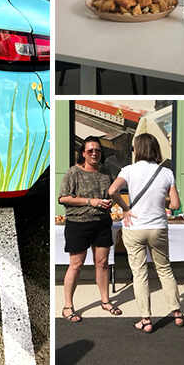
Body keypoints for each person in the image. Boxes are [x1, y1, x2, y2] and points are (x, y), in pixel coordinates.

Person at [107, 133, 184, 334]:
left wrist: (125, 208)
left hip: (134, 227)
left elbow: (112, 190)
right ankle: (177, 313)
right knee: (165, 269)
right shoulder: (166, 173)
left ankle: (146, 319)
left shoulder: (128, 170)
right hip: (158, 226)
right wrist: (160, 200)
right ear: (156, 149)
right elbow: (175, 204)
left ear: (136, 150)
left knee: (139, 273)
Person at [57, 136, 123, 322]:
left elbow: (111, 193)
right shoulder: (73, 173)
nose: (94, 153)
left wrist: (117, 207)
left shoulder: (105, 173)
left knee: (102, 264)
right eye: (90, 150)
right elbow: (63, 198)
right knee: (76, 265)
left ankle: (105, 300)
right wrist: (90, 201)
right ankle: (68, 306)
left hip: (102, 223)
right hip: (78, 224)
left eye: (98, 150)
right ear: (83, 153)